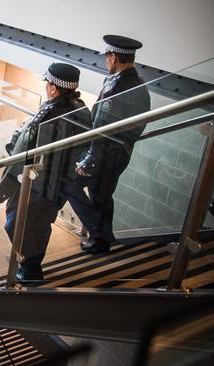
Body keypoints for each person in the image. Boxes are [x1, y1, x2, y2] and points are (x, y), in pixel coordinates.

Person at [0, 63, 91, 281]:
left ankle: (30, 269)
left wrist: (7, 183)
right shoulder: (81, 109)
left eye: (47, 82)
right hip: (59, 186)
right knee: (41, 223)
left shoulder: (49, 115)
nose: (46, 86)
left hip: (35, 183)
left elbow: (26, 149)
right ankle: (33, 265)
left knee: (15, 223)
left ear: (54, 88)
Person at [73, 35, 151, 254]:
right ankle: (102, 238)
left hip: (107, 154)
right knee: (102, 195)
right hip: (119, 152)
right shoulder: (138, 83)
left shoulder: (117, 87)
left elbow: (101, 128)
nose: (106, 61)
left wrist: (89, 160)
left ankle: (100, 239)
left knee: (75, 186)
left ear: (114, 57)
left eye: (107, 57)